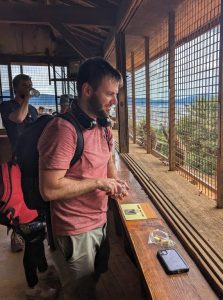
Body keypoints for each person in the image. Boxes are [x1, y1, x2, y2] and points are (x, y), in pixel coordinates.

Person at [38, 57, 129, 300]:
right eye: (109, 94)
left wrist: (113, 181)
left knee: (94, 277)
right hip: (74, 228)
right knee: (79, 292)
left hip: (99, 219)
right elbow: (49, 189)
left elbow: (107, 157)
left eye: (116, 94)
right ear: (87, 90)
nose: (114, 101)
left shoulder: (102, 124)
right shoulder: (63, 131)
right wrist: (100, 183)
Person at [0, 74, 39, 253]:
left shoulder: (32, 108)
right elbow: (19, 119)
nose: (28, 88)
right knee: (16, 198)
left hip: (34, 158)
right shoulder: (7, 105)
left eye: (30, 85)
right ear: (15, 87)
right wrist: (28, 98)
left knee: (32, 196)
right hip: (18, 160)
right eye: (25, 85)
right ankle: (15, 233)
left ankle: (32, 227)